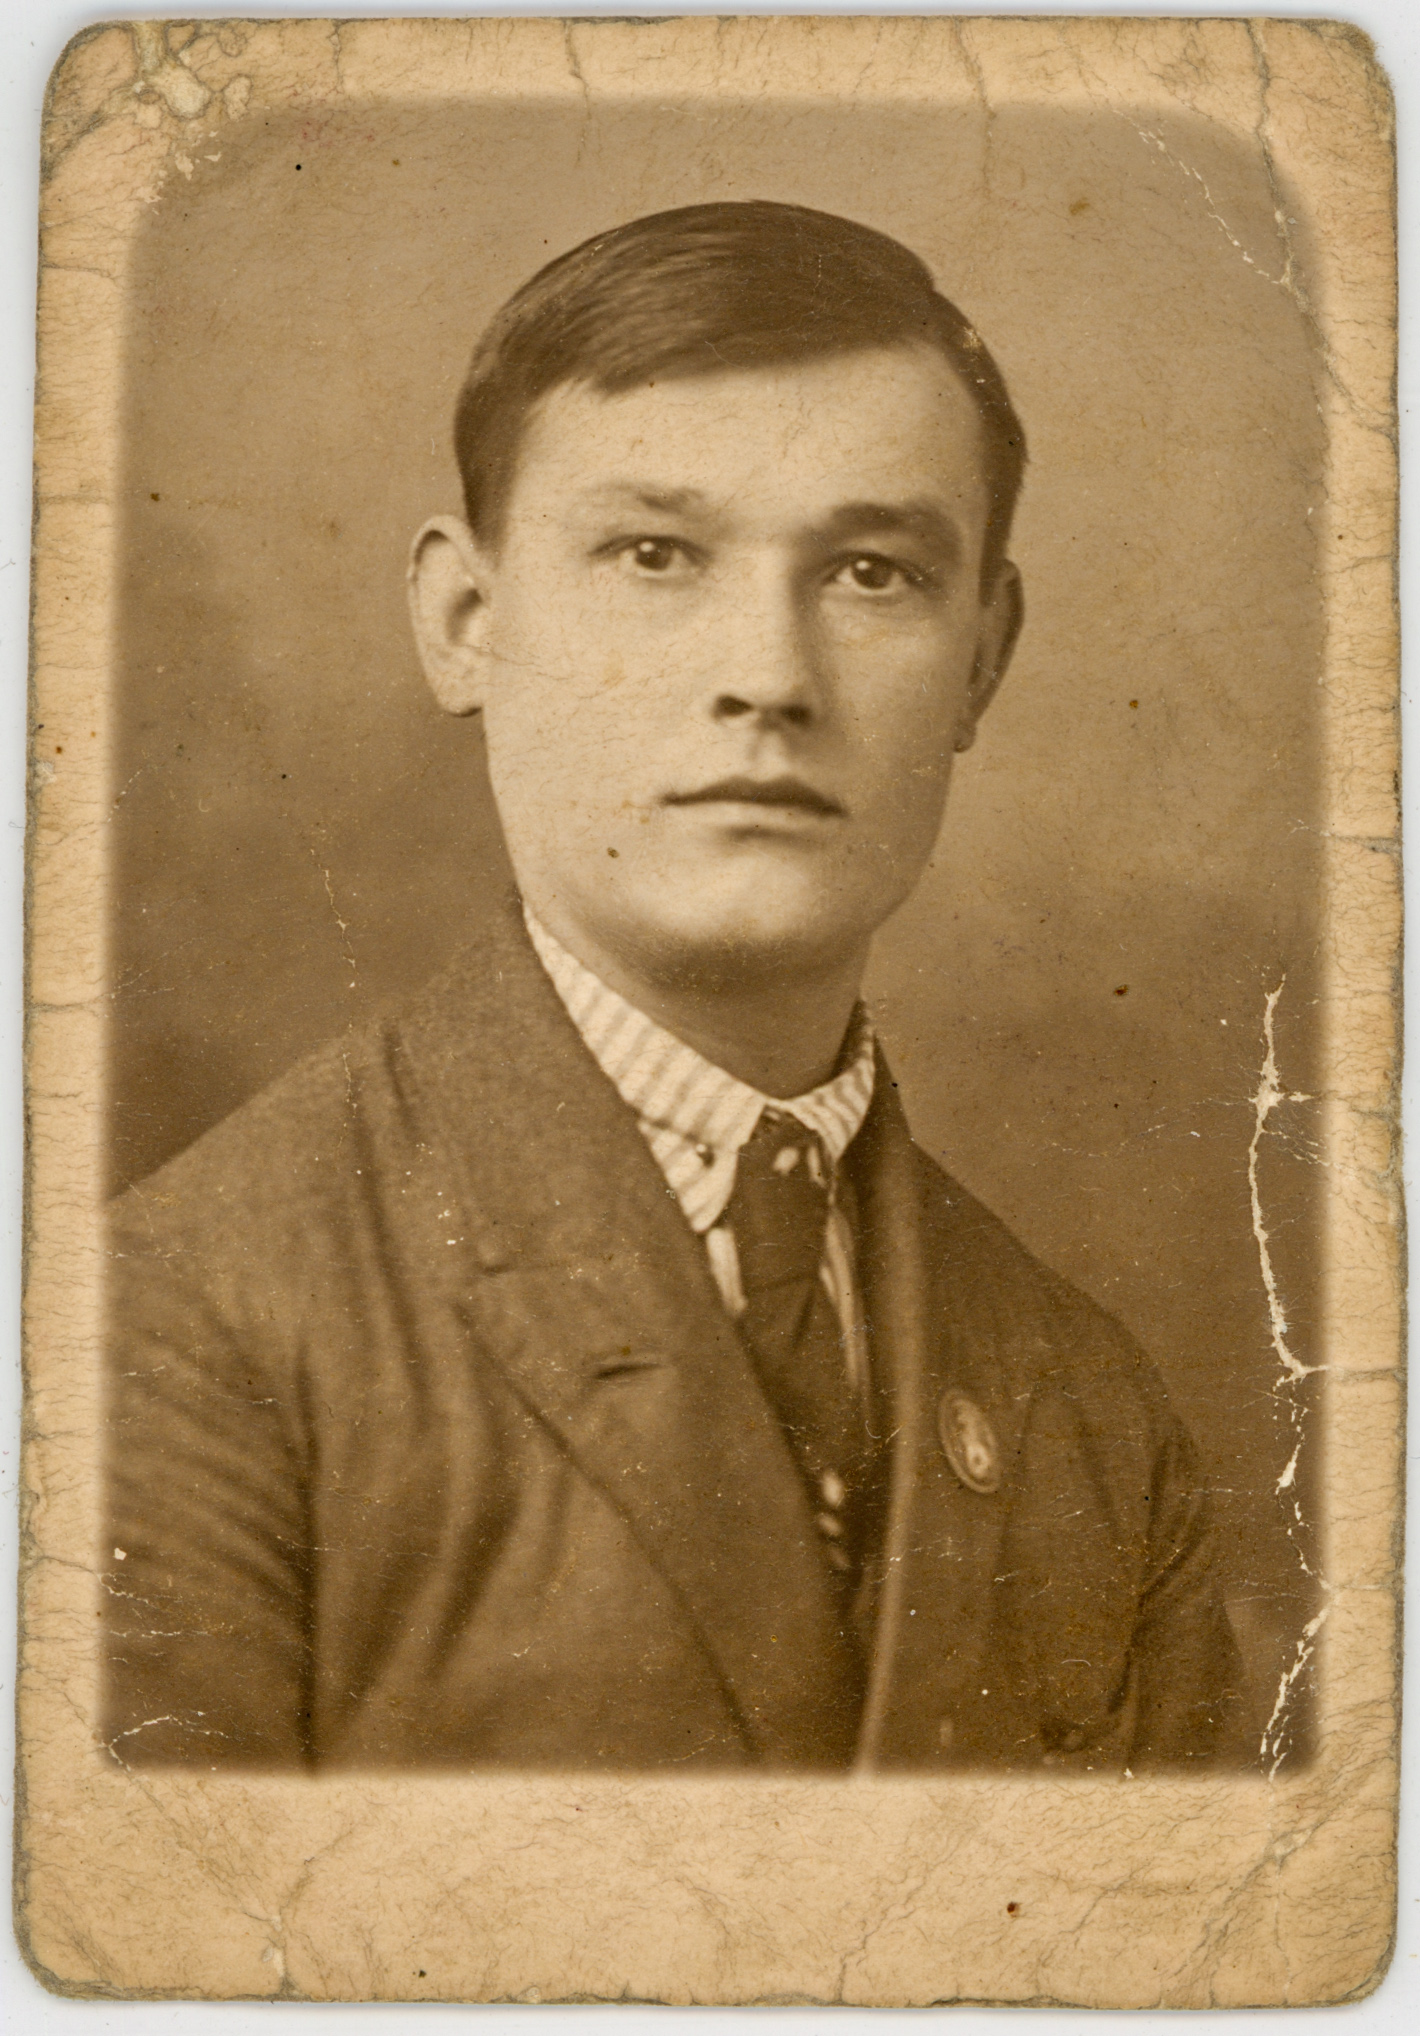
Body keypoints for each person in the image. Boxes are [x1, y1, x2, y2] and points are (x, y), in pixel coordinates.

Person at [104, 201, 1251, 1772]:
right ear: (467, 622)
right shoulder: (174, 1332)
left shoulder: (1096, 1412)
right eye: (655, 555)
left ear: (982, 658)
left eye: (872, 573)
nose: (768, 677)